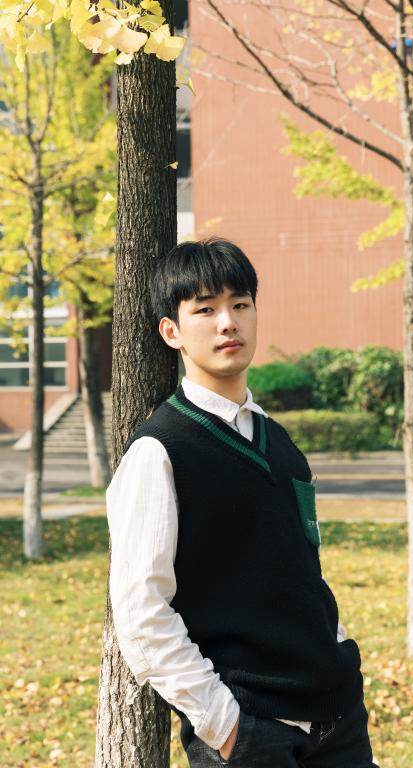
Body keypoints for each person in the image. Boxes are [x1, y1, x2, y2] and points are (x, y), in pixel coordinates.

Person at [106, 238, 379, 767]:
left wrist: (339, 650)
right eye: (205, 310)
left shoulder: (282, 445)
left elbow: (304, 572)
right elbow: (141, 611)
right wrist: (223, 725)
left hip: (338, 720)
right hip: (251, 732)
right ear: (171, 331)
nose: (228, 323)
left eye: (240, 304)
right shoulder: (159, 451)